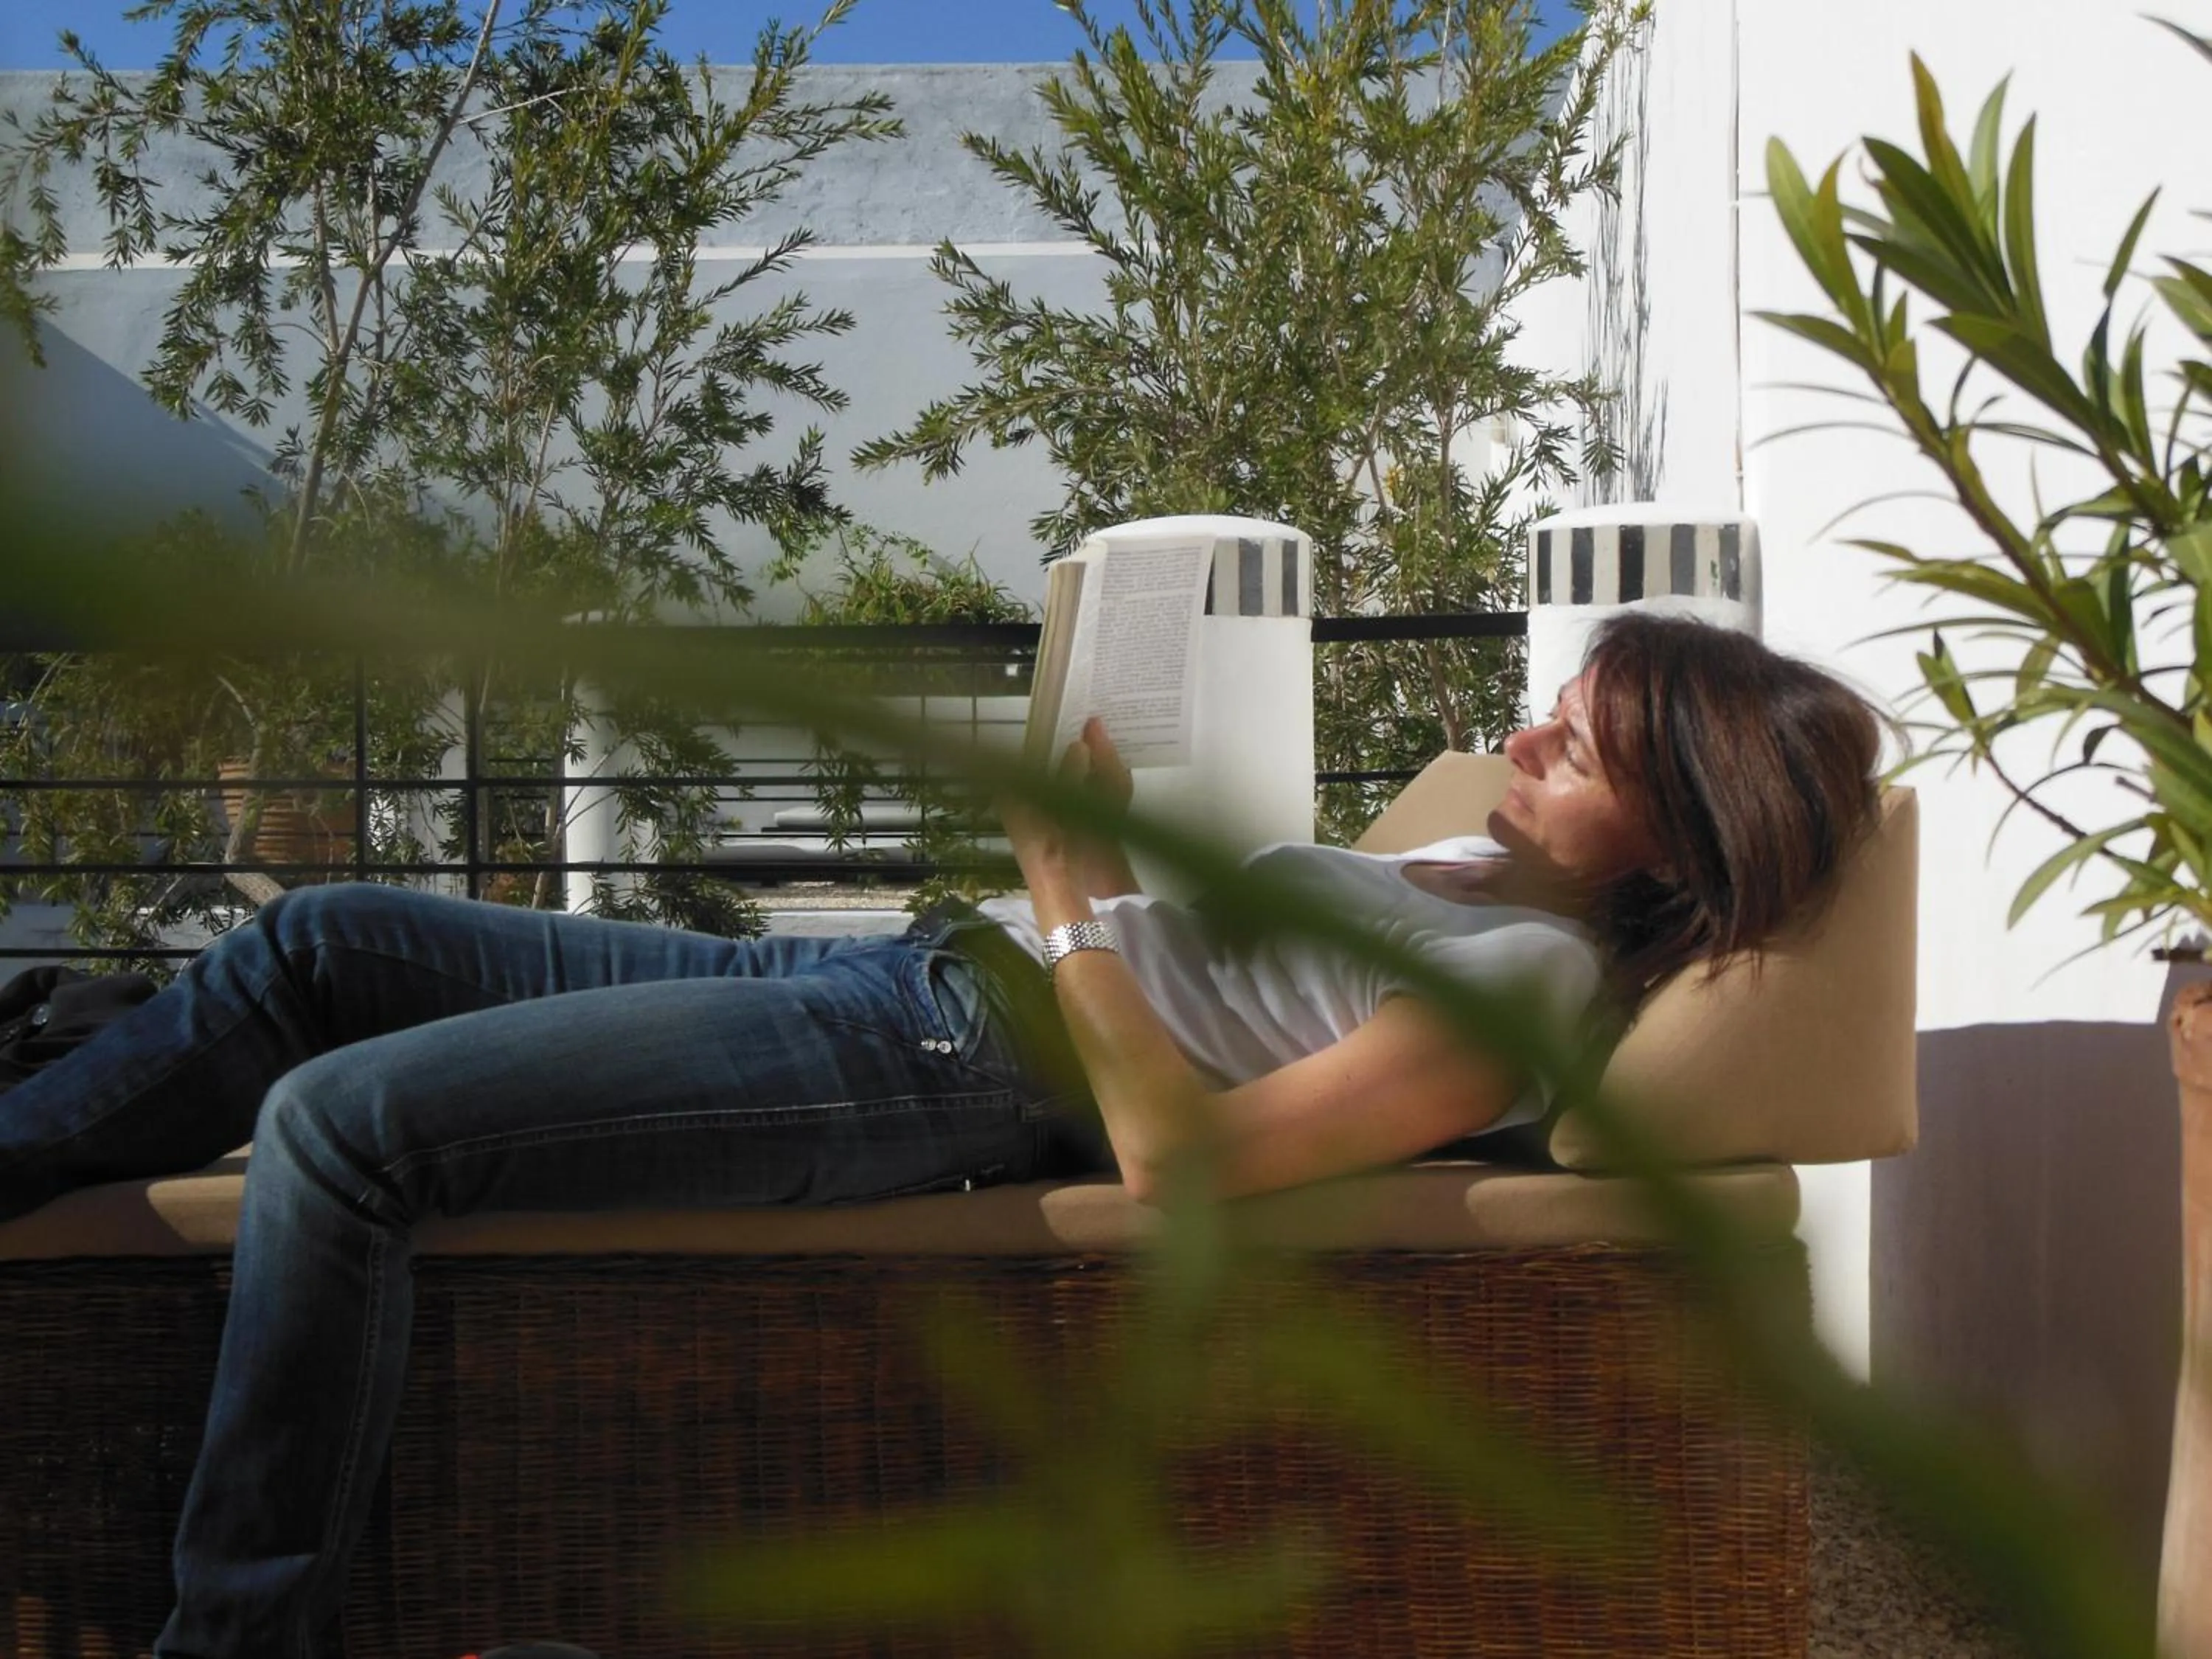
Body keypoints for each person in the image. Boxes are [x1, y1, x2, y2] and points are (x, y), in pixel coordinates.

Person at [0, 611, 1883, 1656]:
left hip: (951, 1063)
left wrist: (1066, 897)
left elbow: (1182, 1165)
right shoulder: (1472, 861)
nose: (1539, 732)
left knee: (339, 1131)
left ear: (1691, 815)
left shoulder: (1527, 997)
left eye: (1594, 732)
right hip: (916, 978)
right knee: (328, 945)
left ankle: (238, 1638)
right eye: (1558, 706)